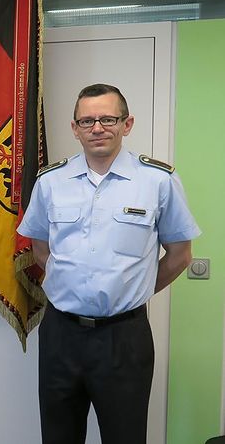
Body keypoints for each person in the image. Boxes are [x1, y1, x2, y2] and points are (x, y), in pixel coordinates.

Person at [18, 83, 200, 444]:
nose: (97, 128)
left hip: (124, 338)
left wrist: (134, 289)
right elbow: (40, 247)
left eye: (107, 119)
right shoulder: (51, 181)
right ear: (75, 128)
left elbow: (180, 256)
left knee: (125, 436)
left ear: (127, 123)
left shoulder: (158, 181)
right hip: (61, 335)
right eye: (87, 121)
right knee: (58, 436)